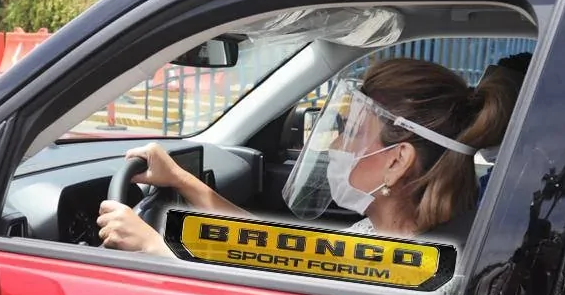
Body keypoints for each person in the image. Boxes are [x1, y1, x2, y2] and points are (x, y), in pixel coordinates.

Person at [96, 57, 519, 255]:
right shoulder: (387, 233)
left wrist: (154, 246)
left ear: (397, 160)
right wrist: (181, 180)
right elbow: (273, 246)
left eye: (352, 133)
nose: (336, 146)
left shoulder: (410, 265)